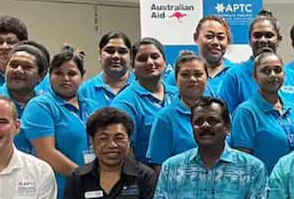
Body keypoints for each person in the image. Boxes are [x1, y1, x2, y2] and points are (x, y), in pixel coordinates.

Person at [22, 48, 90, 199]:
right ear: (49, 75)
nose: (65, 78)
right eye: (58, 73)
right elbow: (47, 153)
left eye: (72, 74)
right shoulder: (40, 106)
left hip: (90, 194)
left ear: (82, 76)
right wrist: (87, 178)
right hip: (57, 193)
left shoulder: (91, 106)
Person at [230, 50, 294, 174]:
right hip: (264, 187)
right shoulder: (246, 113)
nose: (273, 75)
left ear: (284, 75)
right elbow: (243, 163)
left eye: (277, 70)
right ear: (255, 77)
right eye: (266, 71)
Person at [114, 37, 173, 165]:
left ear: (165, 61)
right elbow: (124, 150)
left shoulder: (178, 95)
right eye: (142, 59)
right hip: (146, 177)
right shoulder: (124, 103)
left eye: (155, 56)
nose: (150, 62)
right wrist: (146, 178)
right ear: (132, 66)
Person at [146, 52, 208, 169]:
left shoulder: (219, 113)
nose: (192, 79)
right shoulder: (165, 119)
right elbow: (159, 167)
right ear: (175, 79)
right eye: (185, 75)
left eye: (198, 74)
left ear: (207, 77)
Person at [219, 14, 288, 112]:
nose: (263, 40)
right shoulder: (234, 76)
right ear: (249, 40)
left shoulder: (292, 77)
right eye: (257, 36)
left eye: (269, 35)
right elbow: (224, 116)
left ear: (279, 39)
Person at [78, 32, 135, 110]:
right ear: (99, 54)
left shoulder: (141, 88)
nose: (116, 56)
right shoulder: (84, 91)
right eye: (110, 51)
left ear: (131, 56)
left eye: (122, 52)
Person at [192, 14, 235, 98]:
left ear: (228, 41)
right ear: (195, 37)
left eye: (220, 37)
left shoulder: (237, 73)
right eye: (209, 36)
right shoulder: (182, 73)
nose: (215, 42)